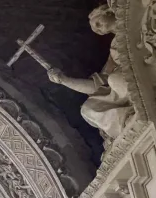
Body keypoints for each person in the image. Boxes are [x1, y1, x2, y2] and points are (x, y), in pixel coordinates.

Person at [47, 4, 134, 141]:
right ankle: (127, 122)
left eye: (98, 23)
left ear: (109, 13)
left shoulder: (132, 21)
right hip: (121, 84)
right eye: (95, 29)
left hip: (138, 72)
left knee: (115, 80)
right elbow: (97, 85)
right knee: (87, 109)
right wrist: (64, 80)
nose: (98, 29)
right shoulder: (114, 47)